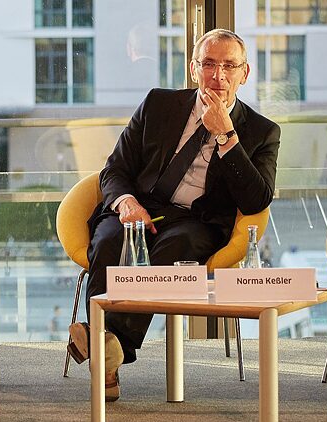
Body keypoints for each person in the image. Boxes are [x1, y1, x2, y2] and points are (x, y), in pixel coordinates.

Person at [67, 29, 280, 401]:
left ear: (244, 74)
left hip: (197, 222)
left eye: (230, 66)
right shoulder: (158, 104)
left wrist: (227, 137)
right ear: (194, 68)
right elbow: (114, 170)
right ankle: (109, 350)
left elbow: (257, 198)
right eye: (209, 64)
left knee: (171, 252)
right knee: (108, 242)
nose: (219, 76)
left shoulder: (262, 132)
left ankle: (108, 347)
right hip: (139, 207)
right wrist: (126, 203)